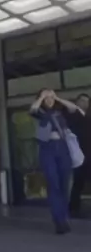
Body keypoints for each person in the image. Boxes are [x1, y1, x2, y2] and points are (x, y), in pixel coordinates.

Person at [30, 89, 84, 234]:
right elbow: (32, 109)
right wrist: (41, 97)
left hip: (63, 148)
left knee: (65, 185)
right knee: (54, 184)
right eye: (46, 97)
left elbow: (73, 108)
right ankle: (59, 221)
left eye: (51, 97)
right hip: (48, 149)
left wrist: (58, 98)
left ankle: (65, 217)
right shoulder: (40, 112)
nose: (49, 99)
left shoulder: (61, 111)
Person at [69, 93, 91, 218]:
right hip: (78, 155)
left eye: (87, 101)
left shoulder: (87, 117)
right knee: (78, 182)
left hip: (88, 154)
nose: (85, 103)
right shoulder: (73, 116)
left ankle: (74, 207)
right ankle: (73, 208)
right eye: (82, 100)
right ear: (77, 102)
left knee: (80, 182)